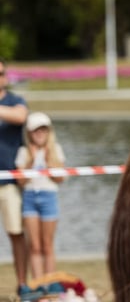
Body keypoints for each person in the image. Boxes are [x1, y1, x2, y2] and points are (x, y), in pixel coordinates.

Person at [16, 112, 65, 281]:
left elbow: (60, 179)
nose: (40, 134)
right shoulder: (23, 152)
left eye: (43, 130)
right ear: (29, 133)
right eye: (36, 130)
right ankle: (38, 286)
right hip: (29, 198)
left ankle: (50, 284)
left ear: (48, 132)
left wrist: (48, 161)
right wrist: (31, 160)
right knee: (34, 246)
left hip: (48, 198)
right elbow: (21, 181)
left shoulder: (55, 150)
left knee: (47, 245)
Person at [0, 57, 31, 297]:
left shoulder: (16, 101)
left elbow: (20, 116)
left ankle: (22, 284)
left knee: (17, 234)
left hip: (9, 182)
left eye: (1, 74)